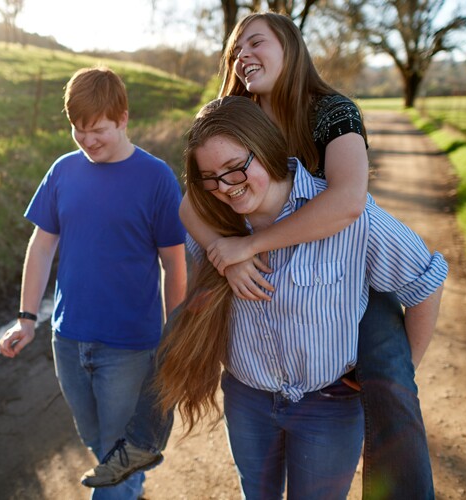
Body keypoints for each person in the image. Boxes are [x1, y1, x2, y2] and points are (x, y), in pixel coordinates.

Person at [83, 12, 439, 499]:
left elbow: (348, 201)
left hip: (335, 252)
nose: (242, 55)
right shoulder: (231, 112)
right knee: (187, 323)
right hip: (244, 253)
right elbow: (192, 203)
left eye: (255, 42)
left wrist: (249, 245)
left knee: (390, 374)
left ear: (290, 45)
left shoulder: (330, 110)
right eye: (234, 52)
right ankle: (142, 440)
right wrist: (221, 249)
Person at [172, 95, 446, 498]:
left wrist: (400, 374)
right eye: (210, 177)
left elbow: (426, 281)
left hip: (330, 405)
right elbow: (197, 294)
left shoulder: (349, 216)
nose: (225, 187)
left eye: (235, 169)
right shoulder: (212, 221)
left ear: (266, 145)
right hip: (247, 398)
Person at [0, 67, 187, 499]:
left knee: (114, 456)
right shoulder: (63, 171)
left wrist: (175, 334)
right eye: (77, 131)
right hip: (66, 340)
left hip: (129, 347)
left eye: (97, 129)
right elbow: (41, 246)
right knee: (96, 440)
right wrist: (26, 319)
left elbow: (174, 265)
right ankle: (132, 481)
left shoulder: (157, 178)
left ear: (123, 118)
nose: (87, 141)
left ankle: (126, 481)